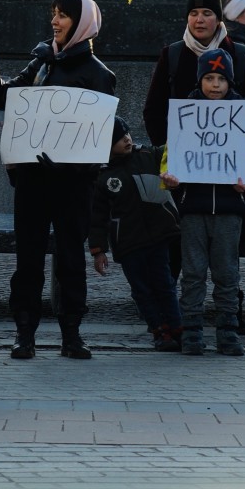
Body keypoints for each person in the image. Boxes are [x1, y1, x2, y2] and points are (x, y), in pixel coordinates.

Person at [0, 0, 118, 360]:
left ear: (82, 24)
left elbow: (98, 141)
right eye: (54, 14)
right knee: (28, 259)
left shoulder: (99, 75)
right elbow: (1, 97)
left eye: (63, 16)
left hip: (73, 186)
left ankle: (72, 334)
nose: (55, 21)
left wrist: (67, 165)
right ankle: (25, 333)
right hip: (33, 181)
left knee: (70, 259)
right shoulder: (41, 64)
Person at [159, 47, 245, 356]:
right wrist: (168, 178)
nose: (215, 85)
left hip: (229, 209)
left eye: (221, 79)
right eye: (209, 78)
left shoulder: (244, 115)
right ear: (200, 80)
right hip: (192, 209)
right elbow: (169, 157)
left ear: (230, 82)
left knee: (227, 273)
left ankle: (227, 331)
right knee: (194, 272)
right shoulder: (186, 113)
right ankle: (192, 332)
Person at [89, 118, 182, 351]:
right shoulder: (102, 177)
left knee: (165, 283)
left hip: (159, 236)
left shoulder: (147, 155)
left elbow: (172, 151)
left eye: (127, 134)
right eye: (120, 139)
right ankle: (159, 330)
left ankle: (178, 327)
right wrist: (98, 251)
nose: (127, 139)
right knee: (141, 289)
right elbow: (96, 218)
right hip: (128, 243)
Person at [142, 0, 245, 146]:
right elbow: (153, 110)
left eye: (207, 13)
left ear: (219, 18)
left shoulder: (240, 55)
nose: (199, 20)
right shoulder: (172, 54)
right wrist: (166, 149)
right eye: (193, 13)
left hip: (231, 156)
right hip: (182, 157)